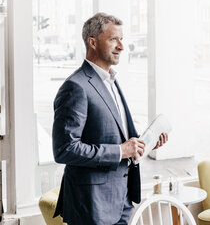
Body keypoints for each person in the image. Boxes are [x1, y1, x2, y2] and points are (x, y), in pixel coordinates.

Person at [52, 12, 168, 225]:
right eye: (114, 39)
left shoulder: (111, 81)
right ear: (93, 42)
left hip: (122, 201)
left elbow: (115, 133)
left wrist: (145, 144)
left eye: (122, 39)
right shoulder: (76, 86)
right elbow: (64, 149)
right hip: (92, 206)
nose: (121, 46)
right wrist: (121, 151)